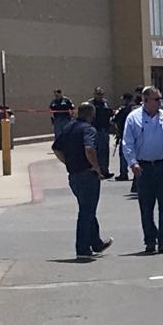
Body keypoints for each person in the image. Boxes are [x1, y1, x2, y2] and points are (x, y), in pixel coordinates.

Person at [122, 86, 163, 254]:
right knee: (146, 206)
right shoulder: (133, 118)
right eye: (156, 99)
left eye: (160, 99)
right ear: (145, 100)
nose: (160, 102)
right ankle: (150, 240)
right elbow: (127, 143)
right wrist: (132, 163)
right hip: (144, 167)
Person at [51, 103, 113, 260]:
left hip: (74, 175)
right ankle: (83, 247)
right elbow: (89, 148)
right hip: (87, 174)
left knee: (87, 208)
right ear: (91, 115)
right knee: (86, 211)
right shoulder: (88, 129)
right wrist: (97, 168)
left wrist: (68, 163)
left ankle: (96, 242)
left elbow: (56, 148)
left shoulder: (69, 128)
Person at [89, 87, 114, 179]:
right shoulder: (91, 103)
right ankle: (97, 171)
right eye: (98, 94)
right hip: (95, 129)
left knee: (105, 151)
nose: (100, 96)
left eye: (101, 94)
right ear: (94, 94)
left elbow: (110, 113)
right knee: (96, 151)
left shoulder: (105, 103)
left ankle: (105, 170)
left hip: (105, 129)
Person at [112, 93, 136, 182]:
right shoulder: (135, 108)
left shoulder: (123, 109)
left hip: (124, 134)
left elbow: (115, 120)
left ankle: (123, 173)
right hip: (134, 134)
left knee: (123, 154)